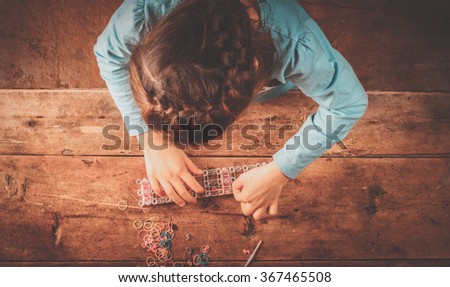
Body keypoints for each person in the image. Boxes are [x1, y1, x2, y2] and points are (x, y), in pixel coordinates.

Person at [94, 0, 368, 220]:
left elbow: (348, 103)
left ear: (256, 69)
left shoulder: (298, 46)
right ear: (150, 43)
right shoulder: (143, 10)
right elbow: (108, 54)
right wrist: (150, 138)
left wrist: (282, 170)